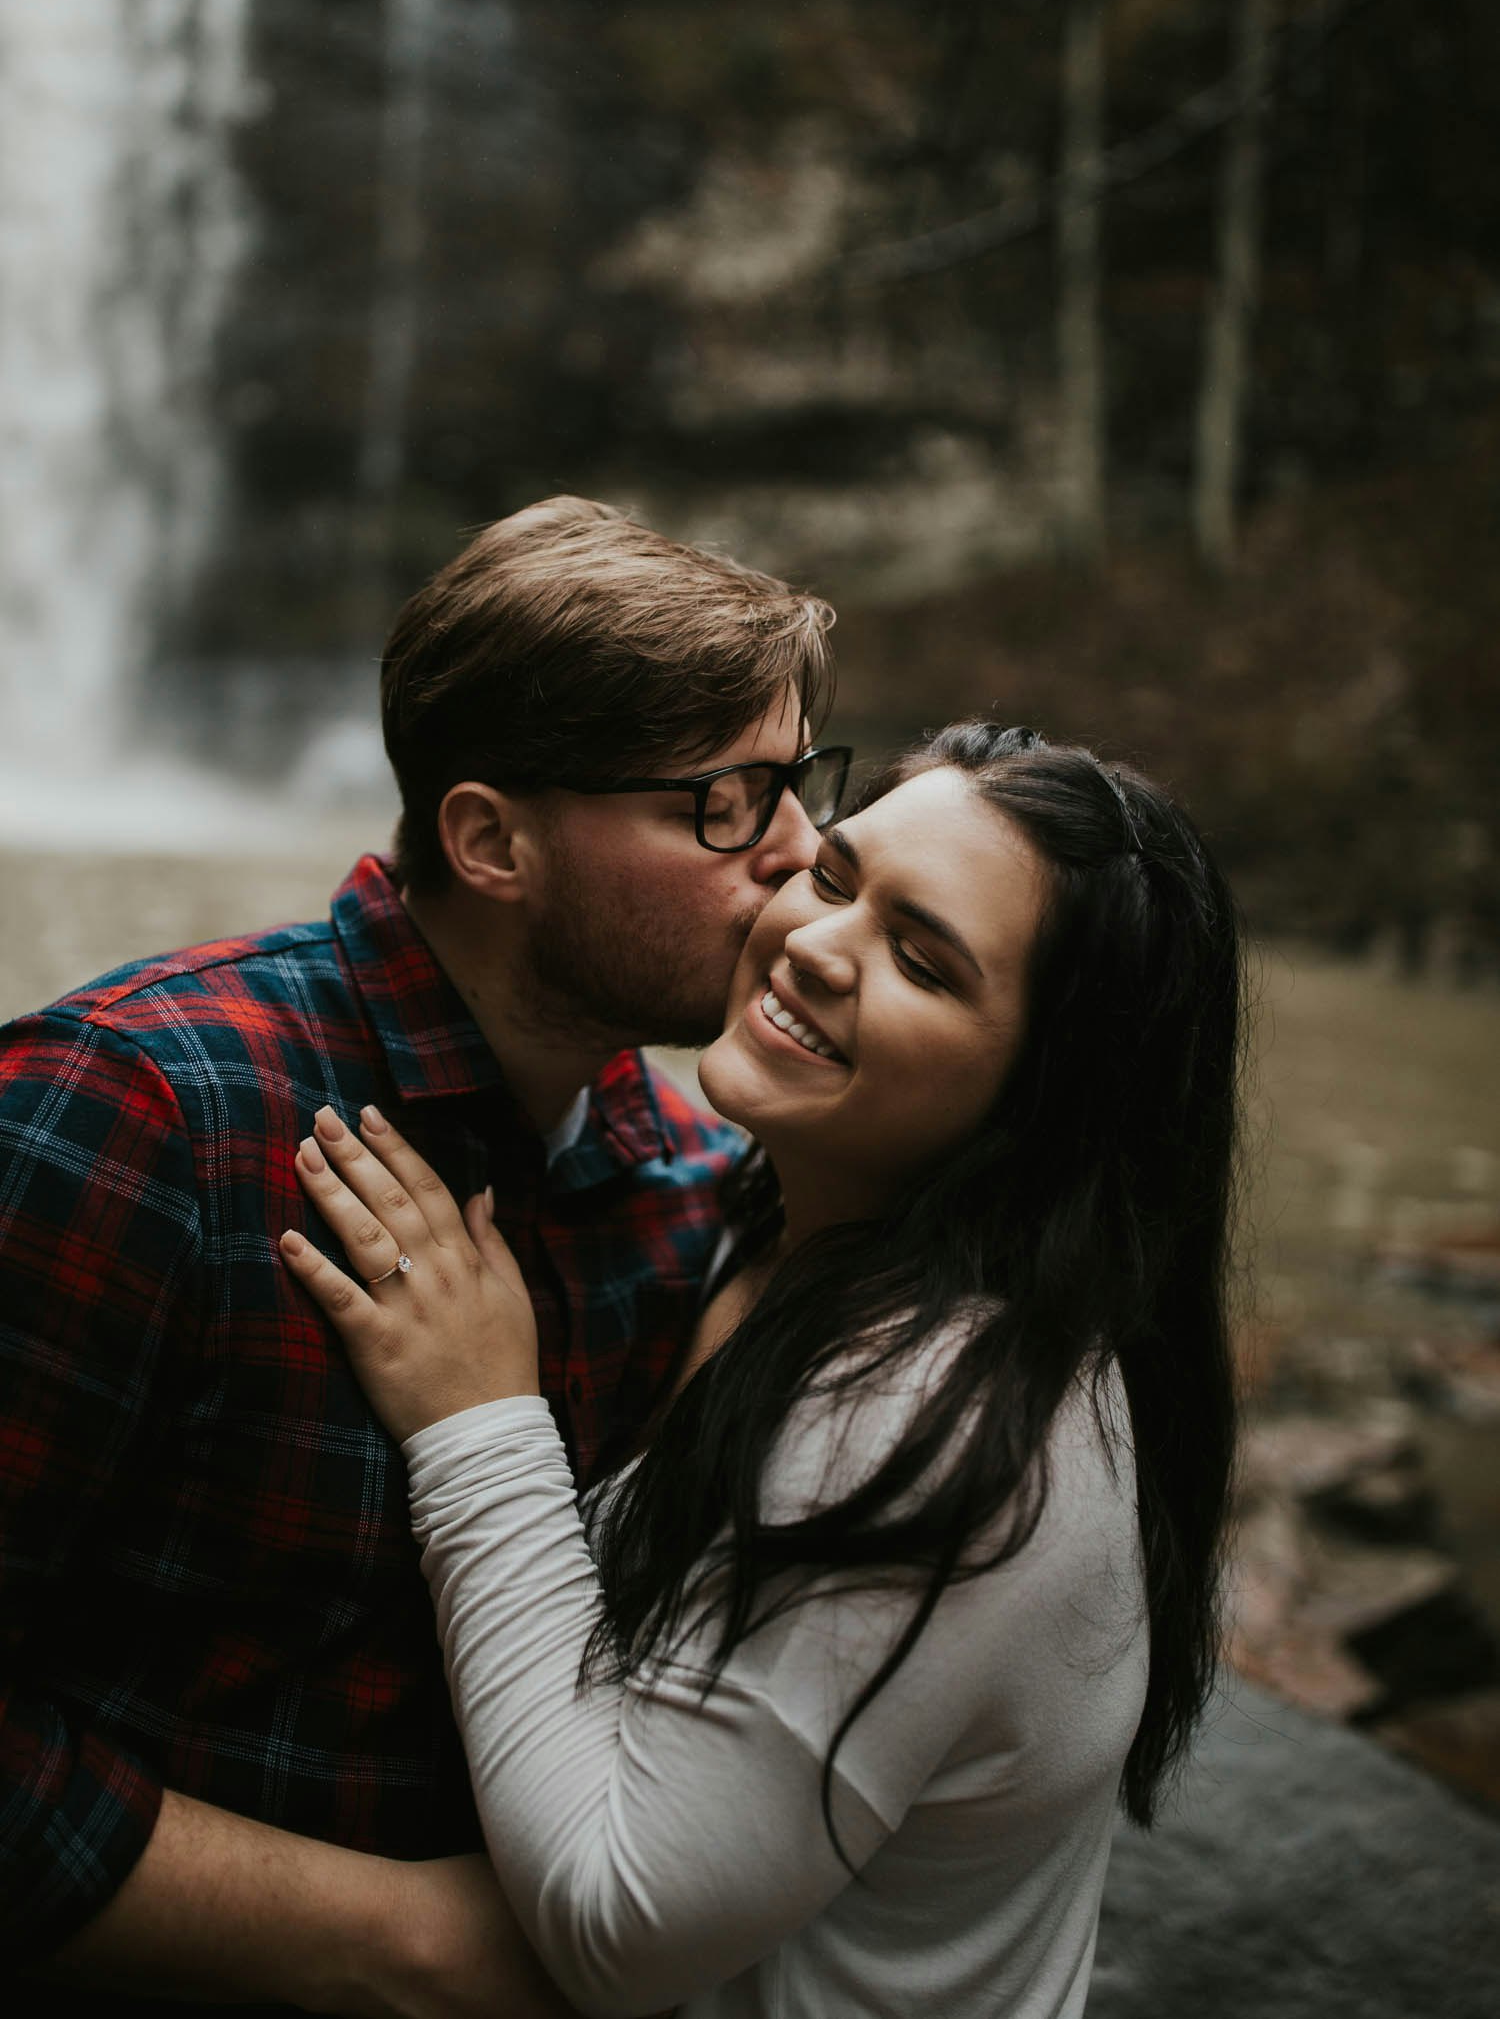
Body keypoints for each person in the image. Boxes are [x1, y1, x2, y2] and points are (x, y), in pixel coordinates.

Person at [0, 496, 843, 2016]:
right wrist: (396, 1943)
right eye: (728, 801)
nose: (804, 852)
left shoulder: (696, 1183)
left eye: (802, 783)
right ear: (491, 838)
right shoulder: (137, 1113)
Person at [282, 721, 1245, 2019]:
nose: (812, 940)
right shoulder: (802, 1226)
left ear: (1047, 1096)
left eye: (921, 958)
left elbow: (621, 1924)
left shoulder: (941, 1415)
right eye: (837, 877)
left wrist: (480, 1416)